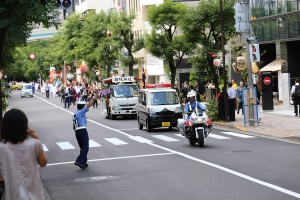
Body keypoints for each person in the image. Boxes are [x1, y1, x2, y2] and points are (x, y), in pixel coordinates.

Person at [0, 109, 48, 199]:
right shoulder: (34, 144)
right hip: (34, 194)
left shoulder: (1, 147)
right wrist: (37, 139)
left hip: (11, 195)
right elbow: (43, 163)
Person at [73, 95, 98, 169]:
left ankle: (83, 161)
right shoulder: (81, 112)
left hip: (77, 131)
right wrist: (93, 99)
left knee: (82, 147)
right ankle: (79, 161)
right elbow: (88, 106)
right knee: (85, 147)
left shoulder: (76, 113)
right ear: (82, 107)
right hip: (82, 130)